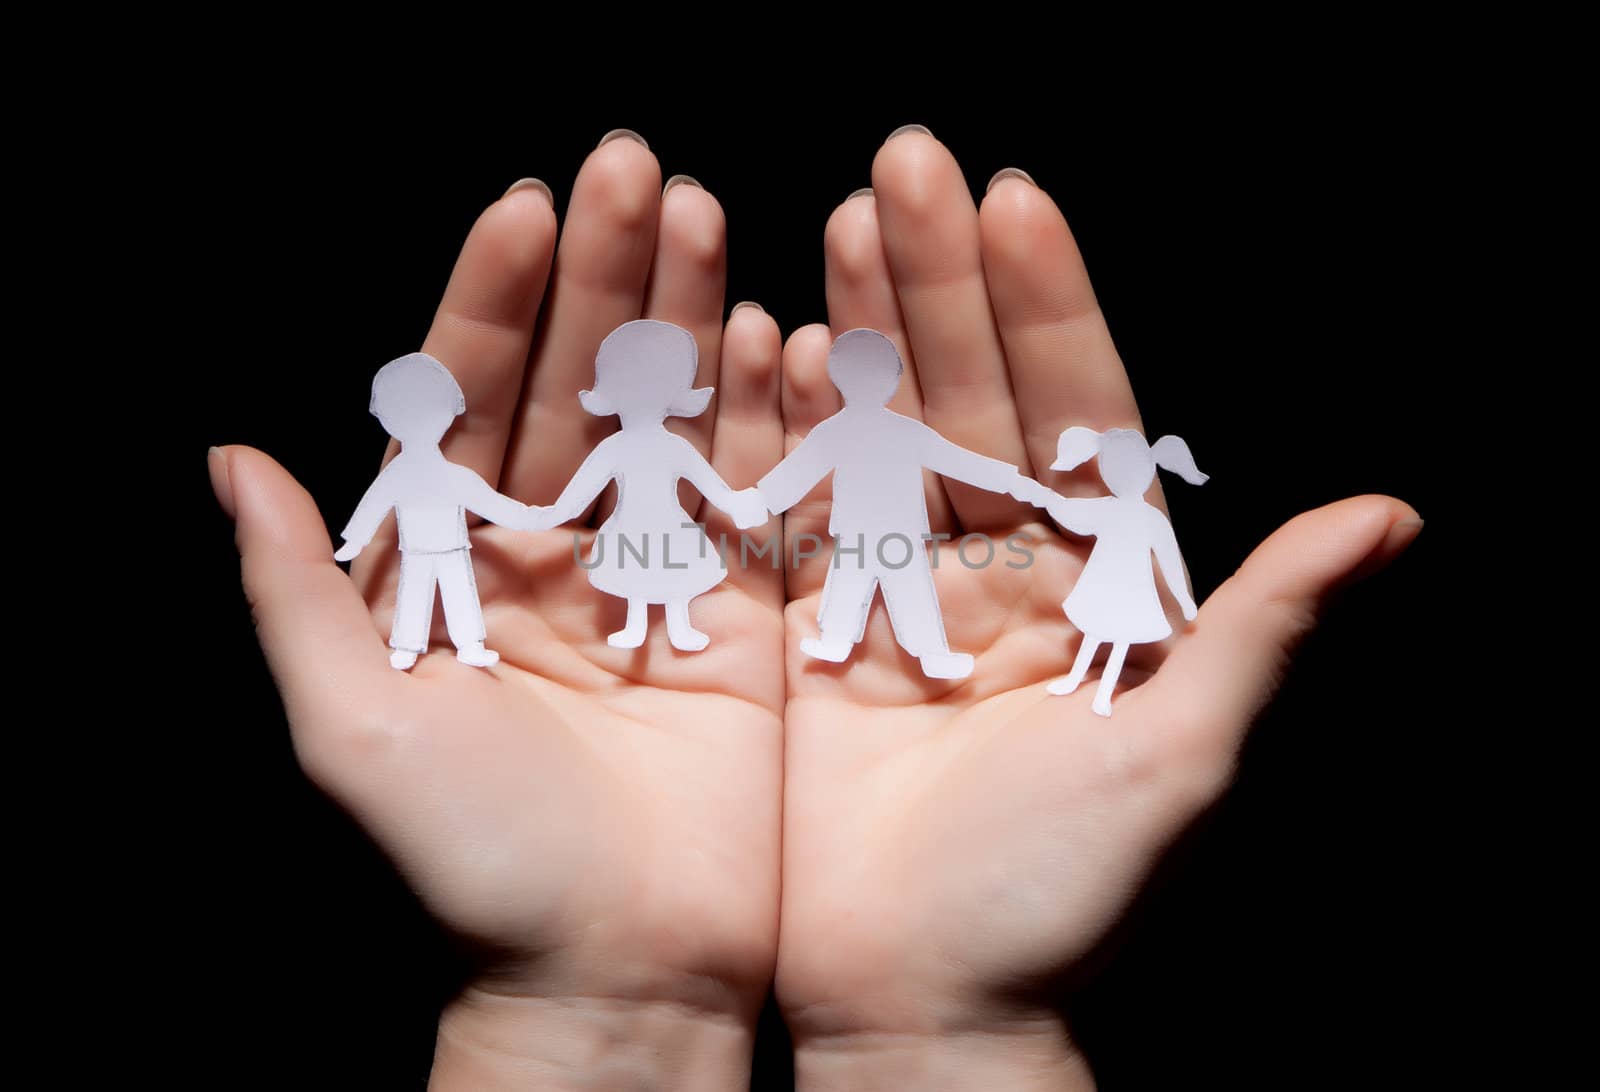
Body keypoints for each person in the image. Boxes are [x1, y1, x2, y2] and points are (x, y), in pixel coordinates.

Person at [207, 126, 1420, 1088]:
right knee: (778, 602)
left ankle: (785, 629)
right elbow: (744, 482)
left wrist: (937, 1037)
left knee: (886, 606)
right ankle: (751, 628)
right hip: (779, 543)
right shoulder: (830, 435)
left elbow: (776, 485)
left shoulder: (860, 433)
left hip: (878, 546)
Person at [758, 328, 1042, 679]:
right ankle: (836, 640)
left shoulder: (905, 432)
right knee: (851, 583)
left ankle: (931, 654)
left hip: (898, 531)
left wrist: (1010, 481)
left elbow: (956, 460)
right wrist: (761, 500)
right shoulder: (838, 431)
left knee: (910, 590)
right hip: (859, 530)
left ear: (893, 379)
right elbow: (800, 470)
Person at [531, 319, 767, 650]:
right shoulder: (617, 448)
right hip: (633, 526)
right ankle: (636, 624)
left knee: (670, 573)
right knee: (639, 574)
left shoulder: (670, 447)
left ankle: (679, 626)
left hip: (664, 526)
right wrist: (552, 513)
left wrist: (738, 502)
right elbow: (578, 495)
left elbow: (713, 488)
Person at [333, 351, 532, 670]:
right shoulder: (400, 473)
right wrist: (356, 540)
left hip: (452, 546)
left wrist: (528, 517)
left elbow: (488, 501)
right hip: (416, 548)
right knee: (414, 593)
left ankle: (469, 645)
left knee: (459, 594)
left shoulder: (452, 474)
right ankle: (407, 646)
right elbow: (374, 502)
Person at [1036, 426, 1208, 715]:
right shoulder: (1107, 509)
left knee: (1120, 640)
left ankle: (1104, 694)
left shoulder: (1153, 520)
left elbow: (1170, 561)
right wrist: (1049, 500)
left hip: (1134, 589)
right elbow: (1074, 515)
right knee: (1093, 630)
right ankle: (1074, 678)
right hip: (1103, 582)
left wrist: (1184, 600)